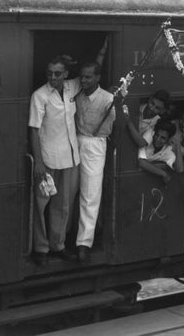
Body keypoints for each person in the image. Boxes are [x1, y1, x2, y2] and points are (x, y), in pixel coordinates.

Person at [29, 55, 82, 265]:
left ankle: (57, 246)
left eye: (58, 73)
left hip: (70, 159)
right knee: (41, 206)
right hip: (48, 159)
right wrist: (39, 162)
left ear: (66, 74)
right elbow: (33, 130)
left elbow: (94, 69)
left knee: (64, 206)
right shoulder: (39, 96)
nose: (53, 76)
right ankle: (40, 249)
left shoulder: (72, 86)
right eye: (49, 73)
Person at [73, 61, 116, 263]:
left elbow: (110, 125)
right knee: (70, 191)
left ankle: (84, 243)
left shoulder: (109, 99)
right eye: (82, 76)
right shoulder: (77, 95)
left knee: (90, 194)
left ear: (98, 78)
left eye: (88, 77)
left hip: (94, 145)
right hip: (73, 142)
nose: (83, 80)